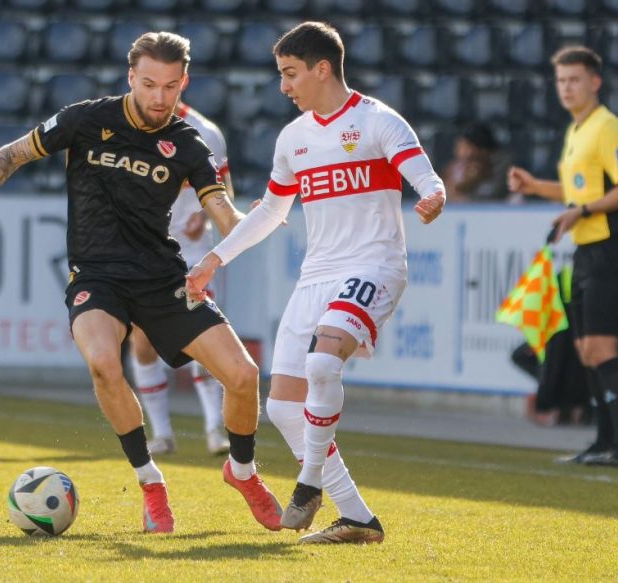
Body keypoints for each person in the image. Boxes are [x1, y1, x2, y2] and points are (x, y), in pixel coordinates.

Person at [0, 31, 283, 534]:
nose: (159, 97)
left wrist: (260, 220)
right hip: (97, 276)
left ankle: (241, 472)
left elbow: (221, 213)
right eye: (149, 84)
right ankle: (151, 484)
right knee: (104, 363)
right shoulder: (87, 119)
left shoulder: (189, 143)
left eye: (170, 87)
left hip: (162, 278)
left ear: (184, 84)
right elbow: (11, 154)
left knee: (243, 377)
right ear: (131, 78)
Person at [187, 21, 446, 544]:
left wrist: (433, 195)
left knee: (323, 362)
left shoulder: (378, 121)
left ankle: (307, 484)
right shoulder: (294, 138)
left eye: (290, 74)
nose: (284, 87)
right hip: (316, 275)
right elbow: (270, 211)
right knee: (282, 406)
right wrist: (216, 257)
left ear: (322, 68)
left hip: (373, 265)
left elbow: (424, 174)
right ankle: (358, 518)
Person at [507, 46, 618, 468]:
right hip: (586, 254)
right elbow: (577, 193)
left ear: (595, 82)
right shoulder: (576, 131)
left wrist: (581, 212)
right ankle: (603, 442)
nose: (566, 88)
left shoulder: (608, 128)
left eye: (574, 80)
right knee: (586, 351)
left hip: (613, 252)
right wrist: (537, 187)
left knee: (603, 348)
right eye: (561, 81)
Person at [130, 98, 233, 457]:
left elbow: (225, 192)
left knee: (203, 337)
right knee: (142, 342)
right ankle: (162, 434)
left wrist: (205, 218)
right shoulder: (129, 126)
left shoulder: (207, 133)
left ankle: (214, 429)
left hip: (191, 253)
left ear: (182, 81)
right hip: (144, 250)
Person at [440, 121, 509, 203]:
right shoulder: (453, 166)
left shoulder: (482, 167)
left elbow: (464, 186)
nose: (459, 148)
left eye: (465, 145)